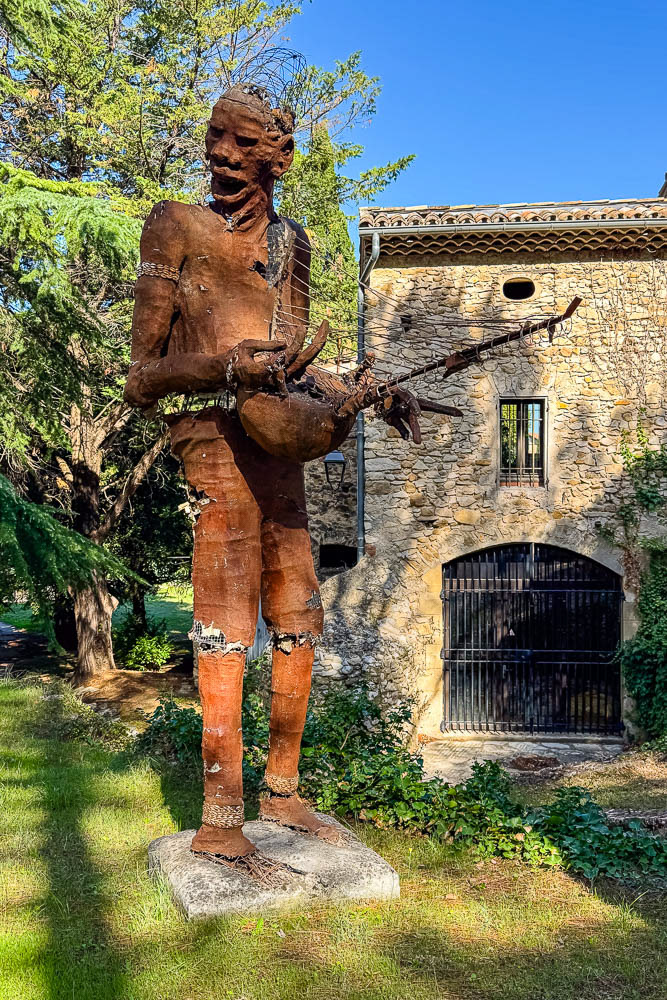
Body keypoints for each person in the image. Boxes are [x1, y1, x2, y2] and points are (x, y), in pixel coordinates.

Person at [125, 84, 421, 859]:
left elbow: (291, 367)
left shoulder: (293, 246)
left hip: (277, 443)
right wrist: (224, 365)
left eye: (242, 142)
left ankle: (281, 793)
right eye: (214, 136)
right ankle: (219, 819)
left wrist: (359, 390)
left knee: (297, 613)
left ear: (279, 158)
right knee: (226, 619)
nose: (219, 153)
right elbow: (139, 378)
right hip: (213, 438)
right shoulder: (174, 224)